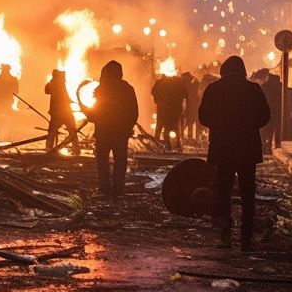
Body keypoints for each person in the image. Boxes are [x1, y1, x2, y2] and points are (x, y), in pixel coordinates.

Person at [198, 55, 270, 251]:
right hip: (248, 148)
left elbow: (203, 117)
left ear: (223, 71)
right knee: (248, 193)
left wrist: (220, 124)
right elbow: (265, 116)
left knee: (223, 192)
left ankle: (225, 235)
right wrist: (249, 125)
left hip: (222, 148)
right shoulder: (254, 89)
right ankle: (246, 236)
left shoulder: (213, 89)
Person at [85, 60, 138, 197]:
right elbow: (134, 112)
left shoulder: (101, 89)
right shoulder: (127, 89)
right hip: (120, 133)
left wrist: (87, 112)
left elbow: (94, 115)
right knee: (120, 161)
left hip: (104, 132)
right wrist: (127, 127)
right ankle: (118, 188)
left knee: (102, 161)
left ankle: (105, 188)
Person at [45, 68, 80, 155]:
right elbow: (47, 91)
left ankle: (49, 148)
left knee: (54, 131)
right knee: (71, 131)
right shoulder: (55, 84)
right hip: (62, 113)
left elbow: (63, 96)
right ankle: (76, 149)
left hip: (60, 113)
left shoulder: (56, 84)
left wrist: (70, 100)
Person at [151, 70, 186, 150]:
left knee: (161, 126)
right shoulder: (179, 83)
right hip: (175, 110)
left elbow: (153, 93)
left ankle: (158, 143)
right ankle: (176, 145)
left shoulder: (160, 83)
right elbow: (185, 95)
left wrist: (158, 101)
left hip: (164, 108)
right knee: (175, 127)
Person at [256, 68, 282, 154]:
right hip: (274, 111)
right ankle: (269, 147)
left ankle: (264, 147)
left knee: (264, 130)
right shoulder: (278, 86)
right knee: (270, 130)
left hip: (265, 111)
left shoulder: (263, 87)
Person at [0, 63, 20, 139]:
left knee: (7, 118)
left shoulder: (11, 80)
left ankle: (7, 134)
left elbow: (16, 91)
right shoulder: (0, 81)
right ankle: (0, 134)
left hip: (6, 102)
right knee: (1, 119)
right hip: (1, 102)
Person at [181, 72, 201, 141]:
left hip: (193, 105)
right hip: (192, 104)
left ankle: (193, 137)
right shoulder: (195, 81)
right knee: (191, 121)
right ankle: (192, 137)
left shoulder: (192, 83)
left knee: (191, 121)